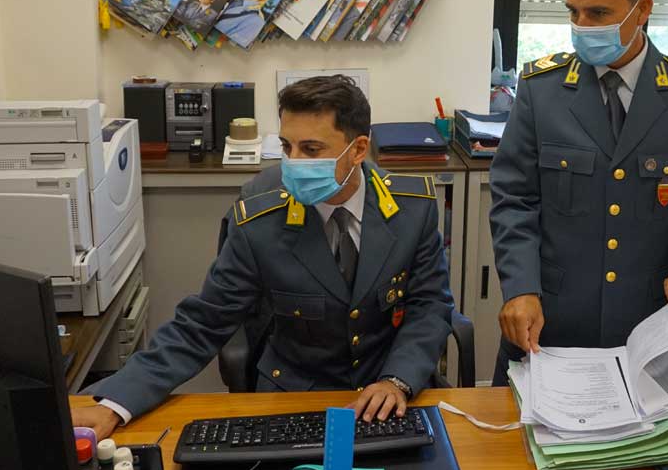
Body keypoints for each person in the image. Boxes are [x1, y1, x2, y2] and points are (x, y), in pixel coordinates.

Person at [74, 75, 454, 438]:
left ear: (357, 150)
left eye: (311, 149)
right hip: (294, 396)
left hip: (387, 393)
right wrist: (115, 403)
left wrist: (397, 380)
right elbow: (203, 322)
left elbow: (429, 306)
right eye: (287, 147)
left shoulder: (412, 210)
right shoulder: (260, 220)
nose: (293, 162)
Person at [489, 0, 668, 384]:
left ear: (642, 10)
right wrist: (519, 286)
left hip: (647, 330)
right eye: (573, 12)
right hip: (548, 323)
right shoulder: (541, 90)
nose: (581, 26)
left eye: (598, 13)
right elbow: (513, 200)